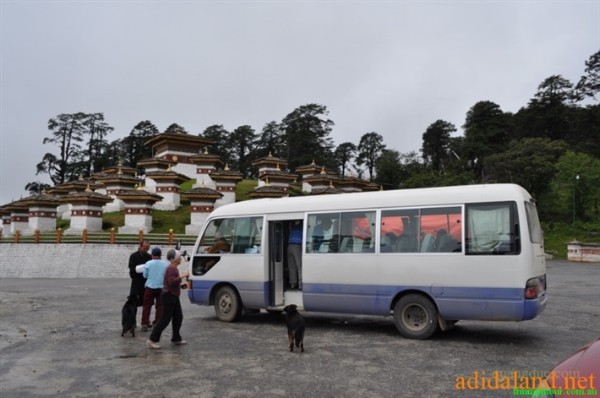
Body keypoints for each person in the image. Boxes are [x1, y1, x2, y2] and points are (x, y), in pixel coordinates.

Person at [147, 249, 190, 349]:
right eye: (179, 257)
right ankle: (152, 339)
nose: (180, 258)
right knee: (165, 319)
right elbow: (171, 282)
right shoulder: (172, 268)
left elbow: (171, 283)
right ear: (175, 259)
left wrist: (180, 285)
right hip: (169, 296)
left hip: (173, 295)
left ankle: (176, 338)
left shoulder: (172, 268)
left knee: (178, 317)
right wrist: (182, 276)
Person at [141, 247, 169, 332]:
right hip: (161, 287)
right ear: (160, 255)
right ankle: (157, 322)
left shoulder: (148, 263)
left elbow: (145, 276)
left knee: (146, 306)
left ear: (152, 255)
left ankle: (145, 323)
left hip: (149, 287)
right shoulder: (165, 264)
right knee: (160, 306)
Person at [128, 240, 151, 312]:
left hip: (145, 282)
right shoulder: (133, 256)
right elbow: (131, 268)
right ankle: (132, 321)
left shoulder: (149, 257)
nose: (145, 250)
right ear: (140, 246)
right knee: (134, 303)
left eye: (147, 249)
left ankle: (145, 321)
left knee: (146, 303)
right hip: (136, 282)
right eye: (144, 248)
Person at [287, 221, 303, 289]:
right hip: (297, 246)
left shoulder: (293, 228)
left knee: (291, 266)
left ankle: (292, 284)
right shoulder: (302, 227)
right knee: (299, 266)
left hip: (289, 246)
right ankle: (300, 284)